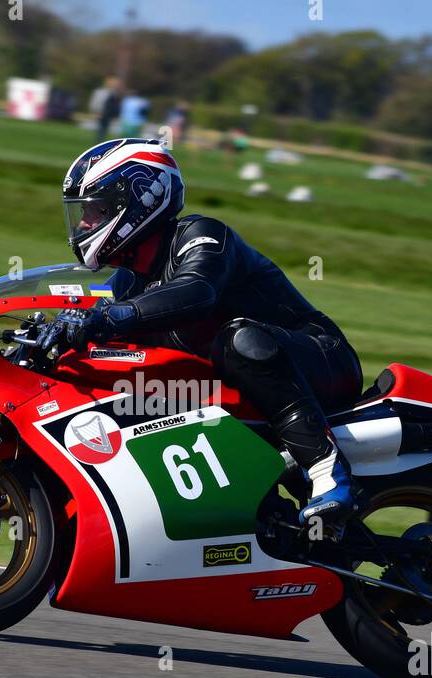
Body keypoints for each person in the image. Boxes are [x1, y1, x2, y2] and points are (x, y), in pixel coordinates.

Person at [54, 138, 363, 524]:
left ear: (140, 199)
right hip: (241, 396)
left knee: (238, 340)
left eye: (96, 211)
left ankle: (328, 472)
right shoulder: (125, 284)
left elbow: (196, 291)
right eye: (84, 213)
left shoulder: (202, 234)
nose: (84, 224)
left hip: (321, 359)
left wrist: (108, 318)